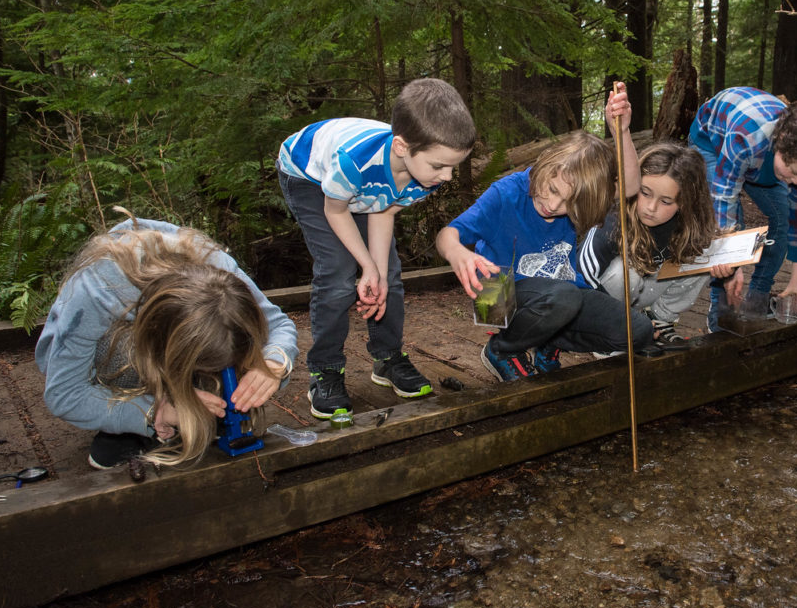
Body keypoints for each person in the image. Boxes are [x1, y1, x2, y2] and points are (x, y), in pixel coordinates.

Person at [35, 214, 299, 470]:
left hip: (171, 345)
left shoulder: (220, 269)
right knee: (121, 348)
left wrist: (274, 362)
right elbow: (64, 393)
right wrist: (152, 411)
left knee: (230, 338)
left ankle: (204, 411)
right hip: (114, 358)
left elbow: (277, 324)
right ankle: (130, 429)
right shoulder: (97, 292)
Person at [277, 78, 476, 417]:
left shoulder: (423, 174)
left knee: (390, 275)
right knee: (338, 271)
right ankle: (324, 369)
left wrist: (378, 274)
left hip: (360, 186)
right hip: (307, 175)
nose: (447, 178)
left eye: (452, 167)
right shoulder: (355, 162)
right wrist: (365, 266)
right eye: (439, 166)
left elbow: (383, 211)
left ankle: (387, 358)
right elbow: (335, 210)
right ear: (402, 147)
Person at [436, 83, 656, 382]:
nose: (553, 205)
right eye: (552, 190)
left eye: (569, 202)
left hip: (562, 296)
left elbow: (629, 187)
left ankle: (549, 341)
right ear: (546, 166)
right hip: (497, 297)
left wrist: (622, 132)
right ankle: (502, 349)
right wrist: (458, 253)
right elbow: (447, 234)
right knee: (563, 298)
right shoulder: (505, 194)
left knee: (638, 332)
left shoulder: (578, 200)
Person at [689, 87, 797, 331]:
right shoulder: (746, 138)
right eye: (794, 172)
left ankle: (756, 300)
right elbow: (724, 201)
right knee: (733, 232)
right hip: (711, 143)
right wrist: (731, 266)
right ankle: (720, 312)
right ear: (783, 143)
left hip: (760, 161)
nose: (796, 182)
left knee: (785, 217)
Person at [578, 142, 716, 348]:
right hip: (598, 299)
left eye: (666, 202)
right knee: (627, 272)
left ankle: (659, 321)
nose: (651, 208)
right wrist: (621, 322)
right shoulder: (613, 219)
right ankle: (609, 335)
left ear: (685, 202)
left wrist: (728, 269)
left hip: (644, 292)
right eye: (645, 193)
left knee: (708, 252)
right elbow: (581, 275)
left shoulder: (688, 224)